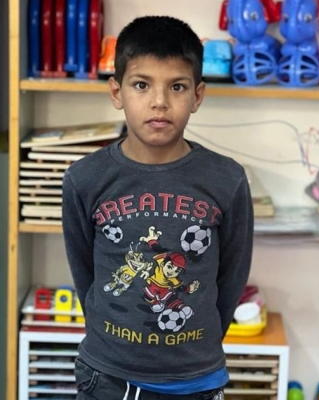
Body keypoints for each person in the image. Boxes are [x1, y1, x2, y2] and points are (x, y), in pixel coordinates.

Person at [62, 15, 254, 400]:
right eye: (141, 84)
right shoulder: (84, 178)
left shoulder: (227, 179)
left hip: (196, 380)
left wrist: (199, 343)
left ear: (197, 95)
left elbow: (232, 277)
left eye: (177, 86)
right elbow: (86, 277)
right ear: (116, 92)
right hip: (107, 377)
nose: (160, 102)